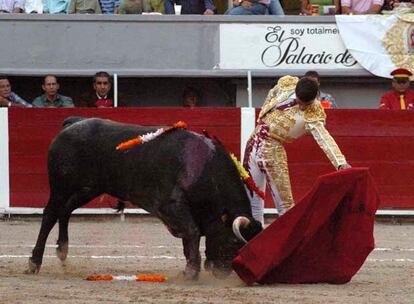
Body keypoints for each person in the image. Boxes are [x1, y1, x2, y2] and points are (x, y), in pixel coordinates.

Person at [243, 76, 351, 225]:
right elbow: (273, 93)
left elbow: (324, 138)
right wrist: (263, 114)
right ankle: (253, 240)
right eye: (300, 101)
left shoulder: (314, 111)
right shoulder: (287, 84)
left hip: (273, 149)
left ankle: (288, 244)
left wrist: (340, 162)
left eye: (305, 105)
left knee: (285, 205)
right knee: (252, 198)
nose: (301, 106)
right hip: (253, 142)